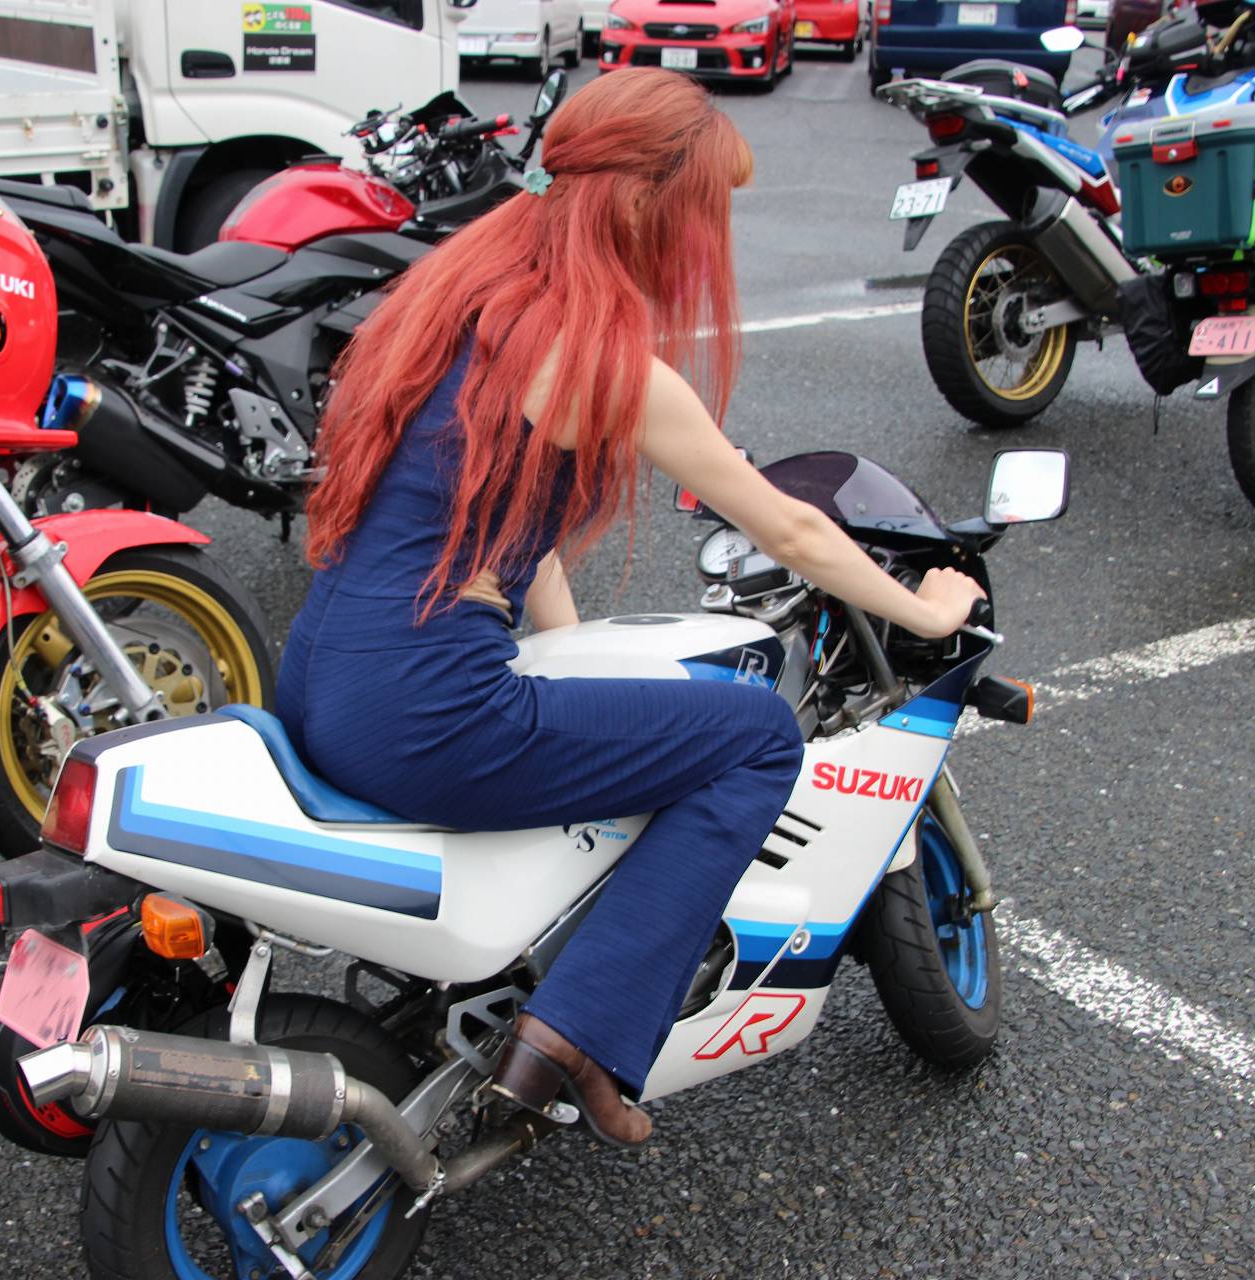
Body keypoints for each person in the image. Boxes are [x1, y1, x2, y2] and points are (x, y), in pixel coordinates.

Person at [275, 68, 984, 1146]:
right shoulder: (596, 357)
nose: (711, 239)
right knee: (755, 736)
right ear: (647, 201)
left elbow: (502, 516)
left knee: (623, 720)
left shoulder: (460, 300)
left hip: (321, 675)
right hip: (419, 708)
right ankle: (576, 1033)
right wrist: (927, 613)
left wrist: (574, 653)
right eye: (707, 208)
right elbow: (791, 530)